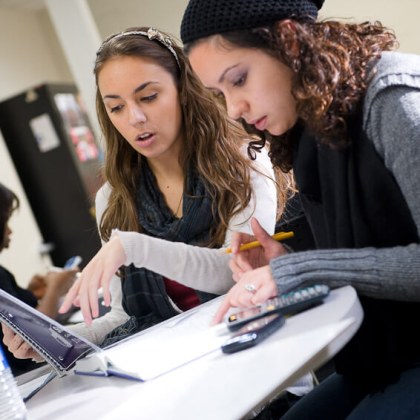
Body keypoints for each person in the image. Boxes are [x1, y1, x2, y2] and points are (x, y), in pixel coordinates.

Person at [180, 0, 420, 418]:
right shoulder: (316, 130)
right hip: (386, 357)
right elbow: (366, 257)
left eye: (238, 79)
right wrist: (287, 262)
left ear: (289, 40)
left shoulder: (392, 97)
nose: (234, 108)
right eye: (221, 94)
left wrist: (299, 271)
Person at [0, 182, 78, 375]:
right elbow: (32, 333)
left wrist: (29, 292)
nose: (10, 231)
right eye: (6, 222)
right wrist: (55, 289)